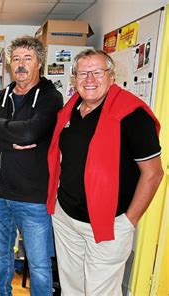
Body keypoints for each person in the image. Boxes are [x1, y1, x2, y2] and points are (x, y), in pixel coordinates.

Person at [47, 49, 163, 295]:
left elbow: (153, 173)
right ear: (74, 79)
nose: (89, 80)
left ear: (112, 76)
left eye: (97, 72)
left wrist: (128, 222)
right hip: (67, 218)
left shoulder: (133, 115)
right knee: (71, 289)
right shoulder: (72, 108)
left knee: (101, 291)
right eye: (82, 74)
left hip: (108, 225)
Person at [0, 36, 63, 296]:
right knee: (1, 254)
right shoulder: (0, 96)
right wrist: (10, 144)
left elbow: (30, 133)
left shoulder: (50, 97)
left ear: (39, 63)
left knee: (39, 263)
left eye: (27, 58)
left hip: (32, 198)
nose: (20, 65)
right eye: (16, 59)